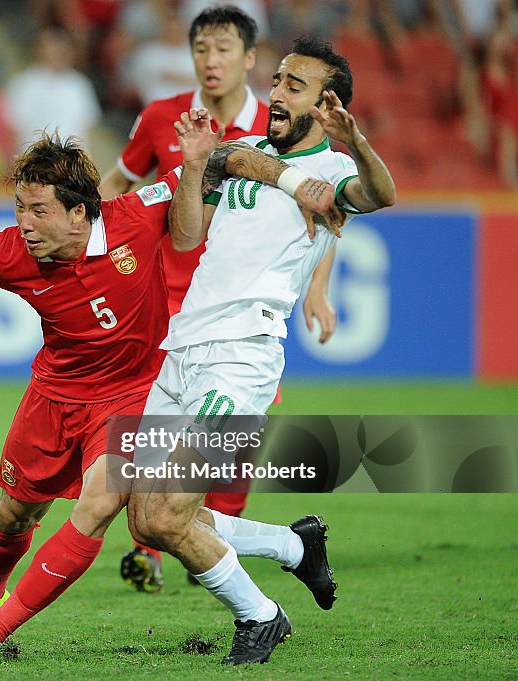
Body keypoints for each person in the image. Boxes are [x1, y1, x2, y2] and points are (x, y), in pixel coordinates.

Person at [0, 130, 343, 669]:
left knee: (106, 507)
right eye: (19, 209)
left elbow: (218, 160)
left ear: (79, 213)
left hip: (134, 394)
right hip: (53, 395)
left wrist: (292, 180)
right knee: (16, 515)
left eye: (38, 211)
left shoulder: (135, 216)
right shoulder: (10, 252)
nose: (24, 224)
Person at [127, 36, 396, 665]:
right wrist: (196, 166)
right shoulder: (243, 151)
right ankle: (294, 547)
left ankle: (261, 616)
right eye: (276, 80)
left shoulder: (334, 175)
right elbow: (188, 235)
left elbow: (382, 196)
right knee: (144, 521)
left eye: (293, 86)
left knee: (169, 515)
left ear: (326, 105)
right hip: (183, 347)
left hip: (240, 356)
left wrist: (354, 141)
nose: (274, 93)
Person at [101, 4, 338, 593]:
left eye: (223, 49)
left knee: (224, 459)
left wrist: (318, 286)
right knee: (148, 465)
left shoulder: (279, 126)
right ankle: (164, 546)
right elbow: (121, 186)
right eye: (201, 50)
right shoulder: (162, 117)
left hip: (240, 326)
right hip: (170, 313)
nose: (211, 61)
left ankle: (229, 560)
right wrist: (89, 235)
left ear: (249, 59)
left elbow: (325, 207)